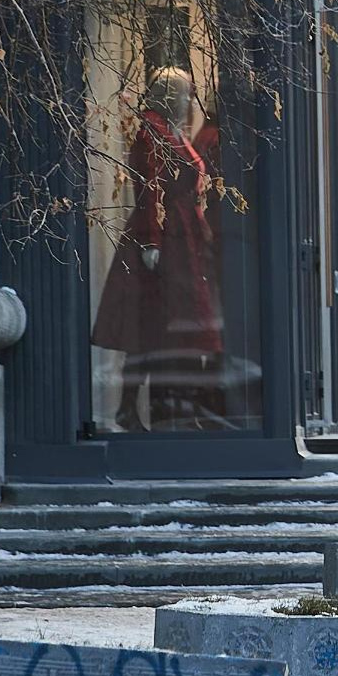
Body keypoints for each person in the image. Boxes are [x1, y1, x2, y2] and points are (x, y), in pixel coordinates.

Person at [90, 65, 226, 430]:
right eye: (184, 93)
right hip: (166, 239)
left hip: (180, 239)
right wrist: (152, 241)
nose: (189, 100)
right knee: (151, 328)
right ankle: (136, 408)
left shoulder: (171, 131)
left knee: (160, 329)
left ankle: (163, 408)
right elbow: (151, 187)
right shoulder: (154, 130)